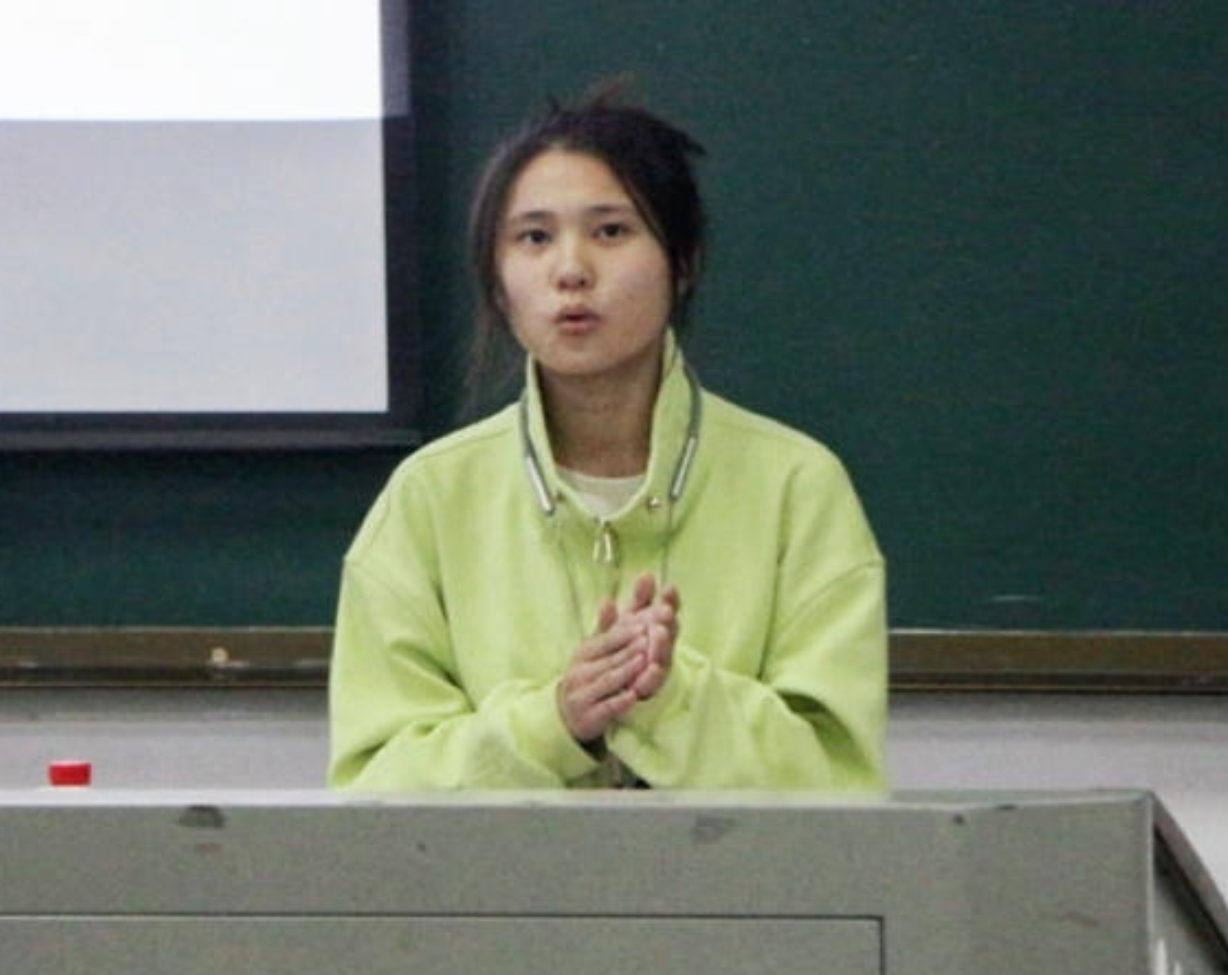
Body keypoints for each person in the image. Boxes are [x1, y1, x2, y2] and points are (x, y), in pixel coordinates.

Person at [330, 88, 886, 790]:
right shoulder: (430, 498)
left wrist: (670, 701)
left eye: (611, 231)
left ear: (682, 262)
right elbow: (374, 786)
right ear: (498, 284)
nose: (571, 270)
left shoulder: (797, 487)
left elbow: (839, 780)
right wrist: (554, 722)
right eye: (534, 238)